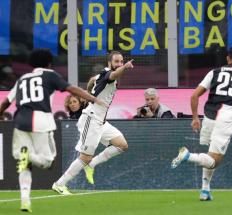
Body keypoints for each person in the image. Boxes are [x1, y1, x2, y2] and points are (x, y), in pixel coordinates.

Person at [0, 48, 105, 212]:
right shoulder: (50, 75)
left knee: (25, 164)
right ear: (49, 63)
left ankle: (25, 201)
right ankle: (28, 156)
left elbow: (6, 102)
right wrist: (92, 98)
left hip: (20, 121)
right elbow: (72, 89)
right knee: (47, 161)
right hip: (41, 120)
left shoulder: (22, 79)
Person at [171, 46, 232, 201]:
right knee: (214, 161)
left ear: (227, 58)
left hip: (209, 116)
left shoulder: (214, 72)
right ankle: (188, 156)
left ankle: (205, 190)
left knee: (209, 155)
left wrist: (195, 118)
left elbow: (194, 96)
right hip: (227, 118)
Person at [52, 51, 134, 193]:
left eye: (121, 62)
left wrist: (88, 94)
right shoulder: (109, 74)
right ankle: (59, 184)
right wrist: (126, 67)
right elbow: (113, 75)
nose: (119, 64)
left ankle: (92, 165)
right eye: (117, 61)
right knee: (85, 157)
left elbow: (91, 80)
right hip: (91, 119)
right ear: (110, 63)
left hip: (101, 121)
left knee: (121, 145)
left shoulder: (102, 74)